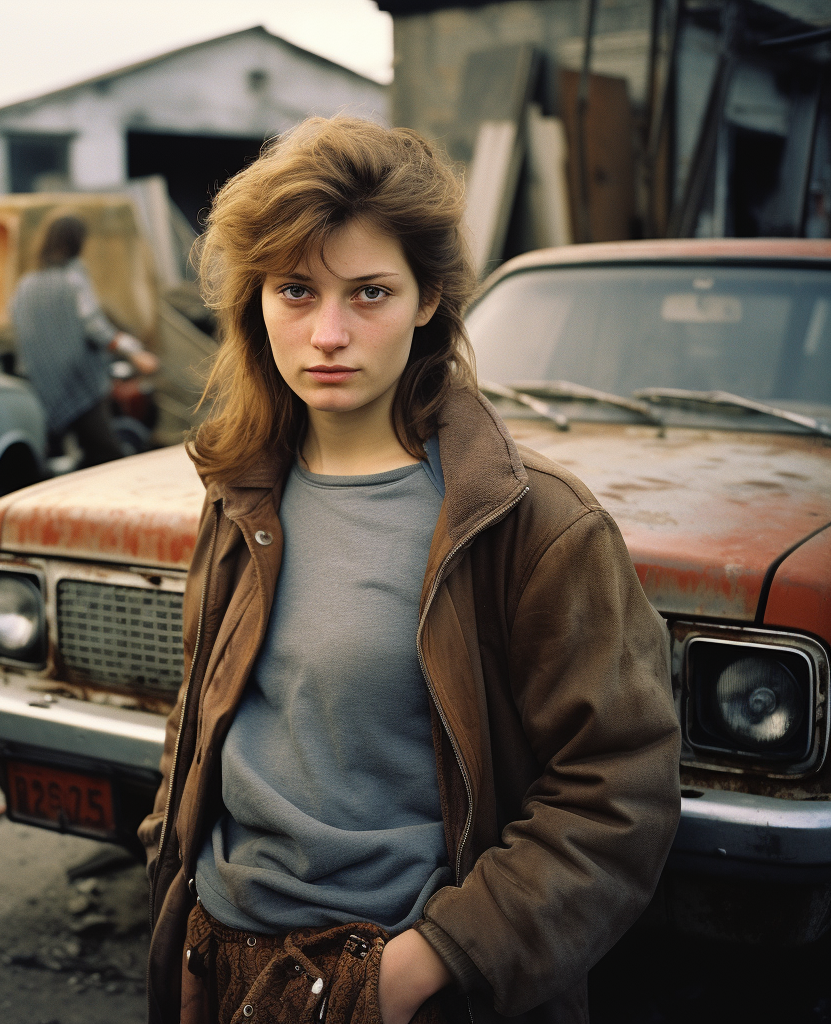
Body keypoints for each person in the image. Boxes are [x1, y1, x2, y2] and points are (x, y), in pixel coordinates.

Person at [139, 117, 682, 1024]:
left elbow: (617, 789)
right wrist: (178, 885)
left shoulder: (532, 523)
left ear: (430, 299)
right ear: (256, 300)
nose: (328, 333)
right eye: (297, 291)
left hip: (399, 979)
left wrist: (437, 959)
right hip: (219, 955)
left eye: (370, 293)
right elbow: (202, 712)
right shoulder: (240, 491)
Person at [10, 214, 159, 467]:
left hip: (40, 382)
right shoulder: (73, 280)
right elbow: (97, 328)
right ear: (75, 242)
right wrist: (136, 352)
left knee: (50, 463)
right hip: (79, 380)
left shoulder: (25, 285)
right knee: (105, 456)